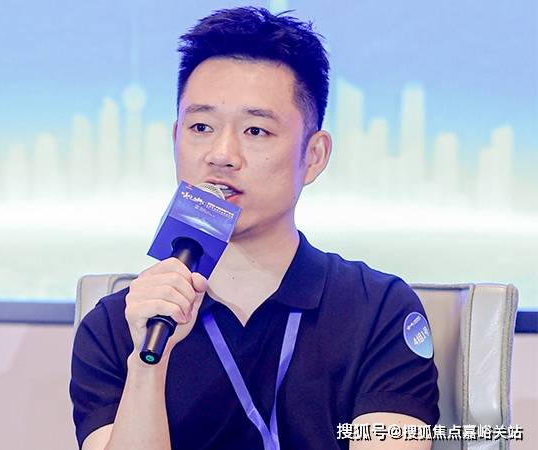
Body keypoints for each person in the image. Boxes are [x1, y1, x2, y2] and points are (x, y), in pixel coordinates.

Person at [70, 7, 439, 450]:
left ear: (314, 156)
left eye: (256, 131)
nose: (222, 155)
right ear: (175, 139)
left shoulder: (376, 309)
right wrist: (148, 365)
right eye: (201, 127)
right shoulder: (117, 327)